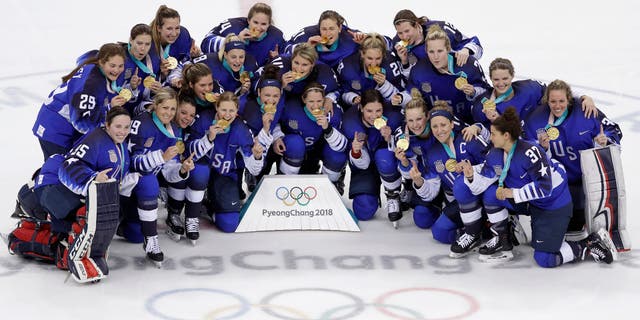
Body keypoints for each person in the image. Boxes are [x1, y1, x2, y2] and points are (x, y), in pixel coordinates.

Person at [455, 107, 617, 266]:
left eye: (493, 134)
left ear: (506, 135)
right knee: (491, 194)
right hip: (530, 201)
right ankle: (503, 238)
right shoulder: (495, 154)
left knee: (545, 258)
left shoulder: (531, 152)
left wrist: (512, 192)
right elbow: (479, 187)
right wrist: (470, 175)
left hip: (552, 204)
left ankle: (588, 244)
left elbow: (544, 188)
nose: (490, 138)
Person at [28, 107, 132, 281]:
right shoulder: (96, 140)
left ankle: (69, 239)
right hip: (51, 183)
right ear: (107, 125)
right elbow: (69, 166)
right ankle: (60, 244)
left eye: (126, 127)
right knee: (80, 213)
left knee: (104, 211)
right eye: (118, 126)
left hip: (66, 187)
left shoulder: (119, 144)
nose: (123, 131)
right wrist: (92, 179)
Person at [523, 80, 622, 242]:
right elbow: (525, 150)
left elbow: (614, 131)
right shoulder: (535, 120)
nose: (557, 106)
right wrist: (542, 148)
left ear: (569, 100)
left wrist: (604, 141)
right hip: (556, 182)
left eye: (561, 101)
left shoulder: (586, 111)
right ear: (547, 101)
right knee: (545, 237)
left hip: (584, 180)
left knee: (577, 227)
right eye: (553, 101)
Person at [119, 88, 195, 267]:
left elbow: (169, 169)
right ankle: (143, 235)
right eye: (165, 108)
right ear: (156, 106)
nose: (169, 113)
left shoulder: (174, 129)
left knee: (135, 234)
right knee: (149, 182)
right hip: (125, 182)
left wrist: (182, 169)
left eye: (172, 109)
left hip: (144, 184)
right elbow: (134, 164)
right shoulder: (141, 124)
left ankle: (144, 235)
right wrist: (161, 157)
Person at [396, 96, 490, 238]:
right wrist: (416, 179)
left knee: (465, 186)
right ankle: (475, 229)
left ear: (427, 116)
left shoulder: (460, 133)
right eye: (410, 120)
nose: (415, 125)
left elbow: (492, 155)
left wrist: (478, 127)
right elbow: (417, 173)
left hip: (477, 188)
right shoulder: (406, 138)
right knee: (426, 221)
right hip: (440, 181)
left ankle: (493, 222)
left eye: (419, 119)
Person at [32, 43, 127, 160]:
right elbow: (81, 123)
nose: (117, 70)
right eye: (112, 65)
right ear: (102, 62)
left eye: (120, 66)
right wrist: (108, 110)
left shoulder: (96, 69)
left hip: (58, 124)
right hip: (55, 128)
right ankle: (40, 178)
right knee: (60, 170)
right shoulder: (91, 84)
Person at [188, 91, 265, 232]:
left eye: (231, 110)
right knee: (200, 171)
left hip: (223, 175)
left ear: (237, 112)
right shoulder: (203, 120)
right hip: (202, 171)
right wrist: (209, 138)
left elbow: (254, 170)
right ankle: (190, 209)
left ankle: (209, 207)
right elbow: (190, 154)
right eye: (223, 109)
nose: (227, 115)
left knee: (229, 225)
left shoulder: (241, 130)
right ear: (216, 107)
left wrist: (257, 156)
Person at [394, 24, 490, 123]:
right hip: (438, 126)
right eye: (431, 52)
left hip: (469, 124)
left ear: (448, 49)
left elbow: (487, 93)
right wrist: (401, 98)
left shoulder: (468, 65)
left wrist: (473, 92)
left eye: (440, 51)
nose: (436, 57)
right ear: (426, 51)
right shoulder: (419, 70)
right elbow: (411, 94)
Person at [471, 58, 599, 128]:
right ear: (490, 79)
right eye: (496, 79)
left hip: (542, 137)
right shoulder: (482, 106)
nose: (501, 83)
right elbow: (489, 137)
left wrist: (584, 97)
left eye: (505, 79)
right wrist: (495, 121)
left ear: (512, 76)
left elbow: (558, 92)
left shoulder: (531, 88)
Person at [341, 89, 403, 226]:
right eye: (369, 111)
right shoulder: (351, 123)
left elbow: (403, 150)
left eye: (378, 111)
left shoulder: (393, 116)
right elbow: (362, 164)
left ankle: (393, 194)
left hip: (384, 160)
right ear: (361, 108)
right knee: (363, 211)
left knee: (384, 156)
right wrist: (356, 152)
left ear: (383, 108)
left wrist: (389, 139)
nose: (374, 116)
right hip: (365, 166)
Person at [276, 82, 348, 194]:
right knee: (295, 143)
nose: (315, 106)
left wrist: (327, 128)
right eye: (311, 101)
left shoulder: (333, 112)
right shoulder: (290, 108)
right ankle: (285, 183)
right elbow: (275, 122)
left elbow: (342, 146)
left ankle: (329, 188)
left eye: (319, 101)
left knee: (337, 155)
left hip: (320, 152)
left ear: (324, 99)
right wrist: (277, 138)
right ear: (304, 100)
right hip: (297, 152)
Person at [164, 93, 216, 245]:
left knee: (200, 171)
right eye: (183, 112)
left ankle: (191, 217)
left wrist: (209, 139)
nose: (187, 117)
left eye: (191, 115)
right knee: (179, 169)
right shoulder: (166, 127)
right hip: (161, 173)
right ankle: (173, 214)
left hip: (175, 168)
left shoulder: (191, 129)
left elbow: (194, 152)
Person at [391, 9, 483, 78]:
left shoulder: (442, 30)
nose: (404, 36)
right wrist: (405, 62)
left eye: (407, 31)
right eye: (400, 33)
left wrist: (466, 50)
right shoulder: (397, 45)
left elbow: (477, 48)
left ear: (417, 25)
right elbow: (408, 81)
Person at [239, 65, 283, 193]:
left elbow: (278, 123)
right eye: (267, 95)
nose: (271, 100)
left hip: (266, 140)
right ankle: (249, 174)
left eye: (276, 96)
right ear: (258, 92)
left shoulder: (281, 103)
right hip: (246, 145)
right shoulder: (244, 105)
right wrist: (264, 129)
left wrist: (277, 137)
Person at [201, 2, 285, 67]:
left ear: (269, 24)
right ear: (248, 20)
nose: (258, 28)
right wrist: (233, 40)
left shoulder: (276, 38)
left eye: (263, 24)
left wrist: (276, 59)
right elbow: (205, 43)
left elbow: (288, 60)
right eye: (255, 22)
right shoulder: (232, 27)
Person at [337, 33, 404, 108]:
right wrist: (353, 98)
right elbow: (343, 93)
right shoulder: (348, 67)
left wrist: (384, 85)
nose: (374, 63)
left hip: (386, 107)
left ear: (383, 55)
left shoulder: (392, 66)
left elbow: (401, 99)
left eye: (378, 58)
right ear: (362, 54)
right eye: (370, 58)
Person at [267, 43, 339, 112]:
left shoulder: (325, 75)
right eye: (296, 63)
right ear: (291, 59)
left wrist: (329, 98)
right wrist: (279, 85)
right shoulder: (279, 66)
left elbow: (338, 90)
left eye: (304, 65)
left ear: (312, 65)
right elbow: (260, 85)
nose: (299, 68)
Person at [284, 10, 365, 70]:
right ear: (319, 28)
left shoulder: (351, 38)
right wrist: (306, 47)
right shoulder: (307, 34)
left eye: (331, 29)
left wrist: (364, 43)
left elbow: (374, 44)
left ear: (339, 28)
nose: (327, 33)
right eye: (324, 29)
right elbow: (286, 49)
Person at [120, 23, 163, 116]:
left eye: (147, 44)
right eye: (139, 43)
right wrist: (131, 88)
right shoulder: (119, 58)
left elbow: (150, 95)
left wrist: (158, 90)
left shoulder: (153, 61)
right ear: (131, 40)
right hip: (117, 112)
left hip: (139, 110)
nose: (143, 48)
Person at [149, 5, 199, 79]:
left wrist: (194, 55)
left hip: (178, 78)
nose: (174, 33)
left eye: (177, 28)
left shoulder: (183, 34)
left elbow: (185, 61)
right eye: (169, 28)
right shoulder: (147, 44)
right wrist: (162, 75)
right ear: (159, 28)